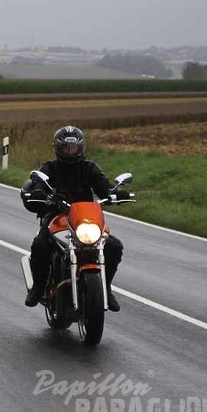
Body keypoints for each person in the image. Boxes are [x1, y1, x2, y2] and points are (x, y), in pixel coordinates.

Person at [20, 126, 129, 311]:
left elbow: (104, 186)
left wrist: (115, 193)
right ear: (58, 148)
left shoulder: (89, 167)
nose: (70, 151)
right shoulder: (50, 167)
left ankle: (106, 286)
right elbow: (40, 183)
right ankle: (38, 287)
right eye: (66, 148)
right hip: (57, 215)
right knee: (41, 244)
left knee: (113, 246)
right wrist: (40, 191)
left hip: (85, 219)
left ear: (81, 148)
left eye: (74, 147)